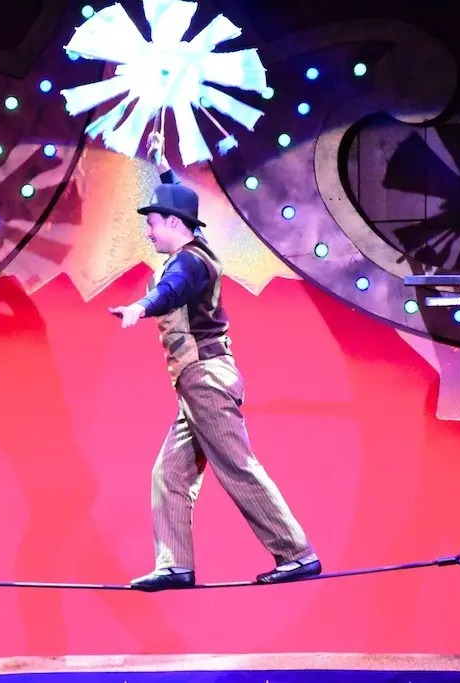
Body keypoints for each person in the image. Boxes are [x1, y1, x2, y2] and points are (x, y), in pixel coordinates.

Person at [108, 130, 322, 592]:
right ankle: (175, 565)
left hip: (205, 379)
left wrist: (139, 307)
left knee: (236, 466)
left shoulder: (189, 263)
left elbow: (171, 292)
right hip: (195, 385)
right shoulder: (194, 246)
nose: (148, 231)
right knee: (170, 473)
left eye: (153, 223)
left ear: (173, 223)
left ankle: (296, 553)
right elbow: (184, 214)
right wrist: (163, 167)